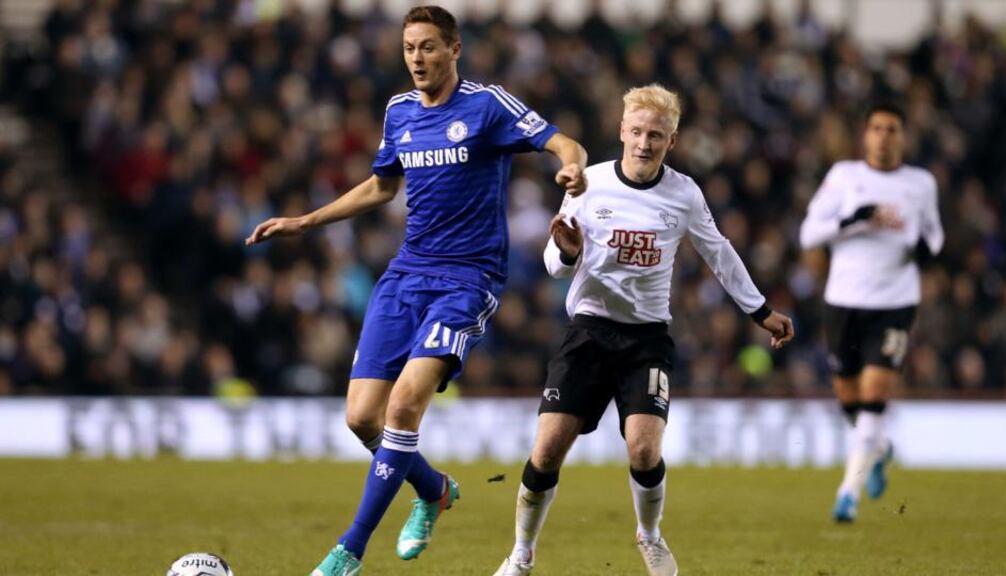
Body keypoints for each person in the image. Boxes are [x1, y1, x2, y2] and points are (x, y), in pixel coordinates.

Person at [246, 6, 588, 574]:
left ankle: (348, 550)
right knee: (362, 418)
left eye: (428, 47)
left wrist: (572, 171)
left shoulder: (486, 104)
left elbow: (565, 143)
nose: (417, 59)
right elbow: (382, 186)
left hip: (467, 280)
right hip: (406, 275)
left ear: (454, 49)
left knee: (404, 406)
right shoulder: (398, 111)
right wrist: (306, 221)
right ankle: (433, 489)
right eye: (409, 48)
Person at [492, 84, 794, 576]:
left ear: (671, 141)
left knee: (645, 448)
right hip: (588, 331)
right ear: (621, 131)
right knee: (545, 452)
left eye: (655, 135)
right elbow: (553, 263)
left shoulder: (684, 194)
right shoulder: (588, 183)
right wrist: (567, 251)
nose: (644, 143)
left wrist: (759, 311)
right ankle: (521, 553)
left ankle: (649, 535)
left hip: (646, 338)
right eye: (636, 132)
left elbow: (719, 252)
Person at [799, 102, 944, 523]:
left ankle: (848, 493)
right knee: (850, 400)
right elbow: (809, 233)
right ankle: (880, 449)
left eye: (892, 129)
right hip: (844, 301)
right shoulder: (844, 177)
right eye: (876, 128)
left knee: (875, 393)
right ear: (865, 135)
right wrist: (854, 219)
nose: (883, 136)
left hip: (895, 303)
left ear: (903, 137)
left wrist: (920, 248)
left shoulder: (920, 184)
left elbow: (935, 236)